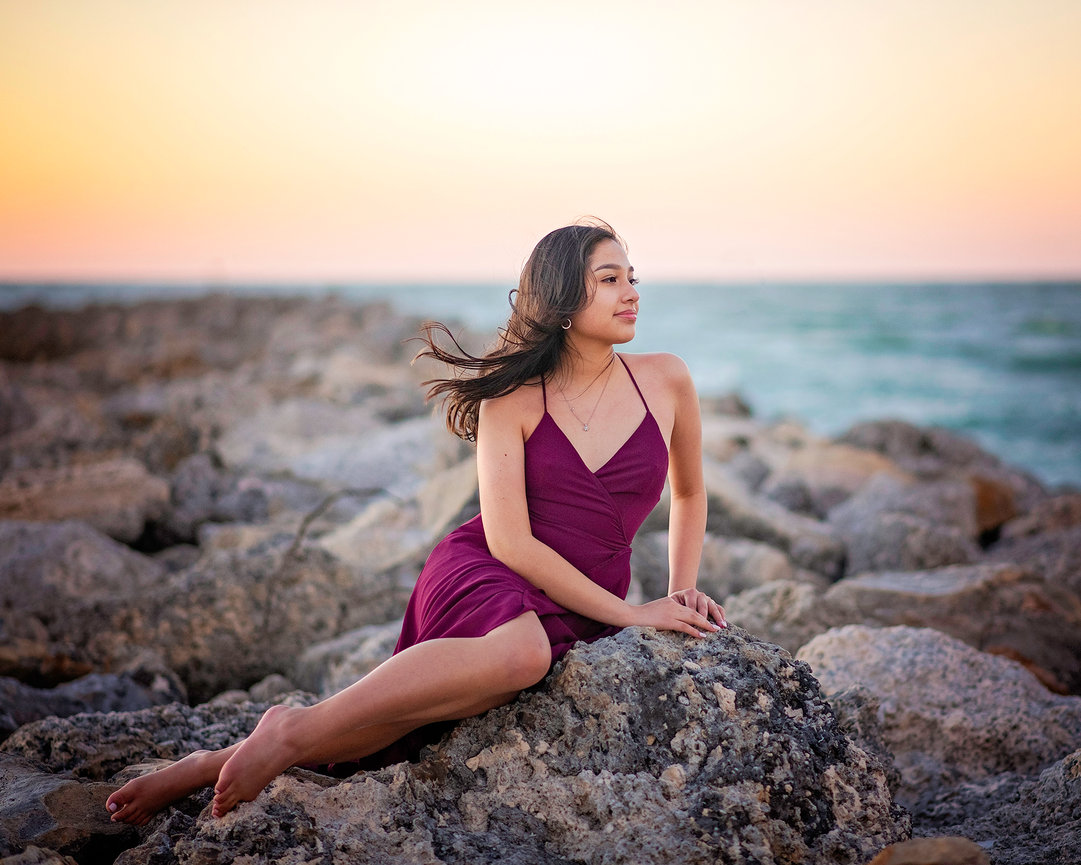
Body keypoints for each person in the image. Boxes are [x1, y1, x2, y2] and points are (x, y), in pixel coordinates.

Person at [106, 218, 727, 826]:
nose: (631, 292)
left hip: (585, 596)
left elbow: (691, 493)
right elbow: (509, 539)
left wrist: (675, 595)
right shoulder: (510, 399)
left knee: (386, 733)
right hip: (494, 570)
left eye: (632, 277)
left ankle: (214, 760)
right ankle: (291, 728)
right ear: (564, 299)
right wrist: (633, 615)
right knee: (520, 657)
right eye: (610, 279)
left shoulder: (666, 379)